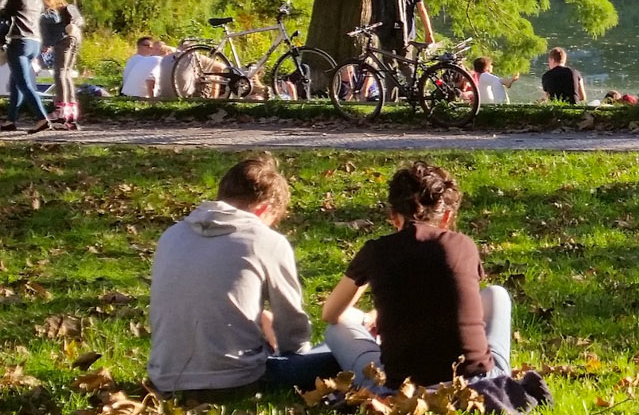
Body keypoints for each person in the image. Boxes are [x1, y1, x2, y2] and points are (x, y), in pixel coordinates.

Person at [147, 154, 339, 395]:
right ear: (263, 209)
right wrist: (295, 355)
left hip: (166, 379)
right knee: (343, 350)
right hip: (238, 380)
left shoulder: (171, 235)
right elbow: (292, 326)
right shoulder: (265, 240)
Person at [323, 161, 513, 390]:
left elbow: (331, 313)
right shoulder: (464, 245)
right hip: (476, 381)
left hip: (402, 388)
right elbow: (452, 297)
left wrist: (372, 308)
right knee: (496, 293)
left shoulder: (376, 251)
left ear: (394, 217)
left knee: (336, 328)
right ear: (446, 217)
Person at [0, 0, 51, 133]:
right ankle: (10, 120)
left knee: (23, 83)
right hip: (34, 41)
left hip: (18, 40)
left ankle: (42, 118)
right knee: (15, 82)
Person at [39, 0, 82, 130]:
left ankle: (62, 110)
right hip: (74, 37)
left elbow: (52, 20)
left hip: (63, 40)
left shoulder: (51, 9)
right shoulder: (61, 4)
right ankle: (71, 108)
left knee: (60, 73)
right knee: (66, 73)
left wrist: (45, 42)